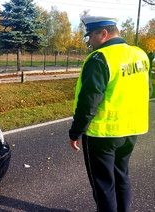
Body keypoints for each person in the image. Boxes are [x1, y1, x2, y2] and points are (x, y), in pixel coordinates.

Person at [69, 16, 153, 212]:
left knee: (104, 186)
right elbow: (148, 91)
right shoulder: (140, 54)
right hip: (132, 129)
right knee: (121, 175)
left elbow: (89, 102)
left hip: (103, 134)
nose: (89, 41)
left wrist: (76, 132)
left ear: (103, 34)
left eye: (90, 36)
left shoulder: (100, 58)